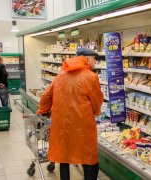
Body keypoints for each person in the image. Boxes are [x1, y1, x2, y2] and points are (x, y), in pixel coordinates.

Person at [36, 48, 104, 180]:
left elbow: (46, 96)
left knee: (64, 156)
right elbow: (97, 99)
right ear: (86, 58)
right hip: (82, 124)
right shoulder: (90, 76)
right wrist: (96, 112)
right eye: (94, 58)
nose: (96, 61)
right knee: (88, 157)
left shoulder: (61, 74)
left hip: (62, 124)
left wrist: (43, 111)